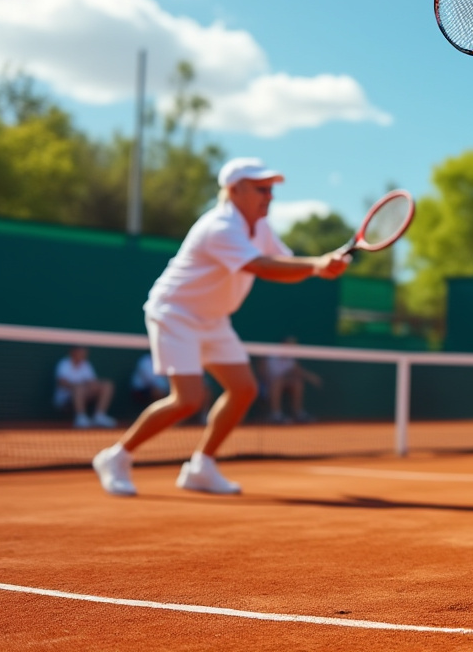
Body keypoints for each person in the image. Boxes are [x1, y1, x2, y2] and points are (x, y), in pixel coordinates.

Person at [91, 158, 348, 497]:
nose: (268, 196)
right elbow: (260, 266)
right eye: (260, 188)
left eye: (271, 189)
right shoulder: (219, 226)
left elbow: (285, 264)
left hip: (213, 319)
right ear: (233, 190)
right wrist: (316, 266)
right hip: (176, 312)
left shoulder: (261, 227)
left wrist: (320, 265)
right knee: (188, 399)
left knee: (244, 390)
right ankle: (116, 457)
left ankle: (201, 466)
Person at [263, 336, 322, 424]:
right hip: (265, 385)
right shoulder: (270, 353)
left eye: (293, 345)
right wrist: (269, 381)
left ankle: (298, 413)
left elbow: (298, 370)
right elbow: (262, 371)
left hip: (282, 383)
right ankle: (275, 415)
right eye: (289, 344)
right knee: (277, 382)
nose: (292, 347)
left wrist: (311, 377)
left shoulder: (291, 358)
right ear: (283, 344)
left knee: (297, 382)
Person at [55, 346, 116, 428]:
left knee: (107, 385)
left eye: (84, 353)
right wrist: (79, 386)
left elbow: (92, 382)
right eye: (80, 352)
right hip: (65, 399)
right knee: (78, 387)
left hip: (85, 395)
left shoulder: (86, 364)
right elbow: (62, 382)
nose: (82, 355)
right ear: (73, 352)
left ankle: (99, 416)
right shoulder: (64, 363)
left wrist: (91, 387)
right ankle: (81, 418)